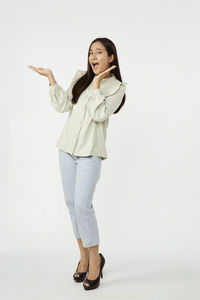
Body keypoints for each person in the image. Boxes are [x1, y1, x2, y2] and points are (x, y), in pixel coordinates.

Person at [27, 37, 127, 290]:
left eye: (99, 52)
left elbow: (99, 114)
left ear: (111, 57)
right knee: (72, 206)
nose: (93, 56)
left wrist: (96, 87)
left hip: (90, 154)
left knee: (83, 206)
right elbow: (62, 105)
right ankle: (83, 257)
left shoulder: (117, 88)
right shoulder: (81, 78)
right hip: (66, 151)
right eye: (91, 52)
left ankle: (95, 261)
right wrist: (51, 78)